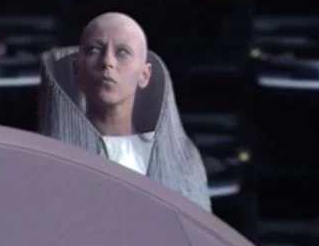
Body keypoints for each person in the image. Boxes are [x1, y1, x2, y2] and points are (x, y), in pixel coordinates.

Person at [39, 12, 211, 210]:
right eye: (95, 50)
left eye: (122, 52)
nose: (107, 62)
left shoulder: (185, 165)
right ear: (76, 70)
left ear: (144, 75)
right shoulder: (47, 160)